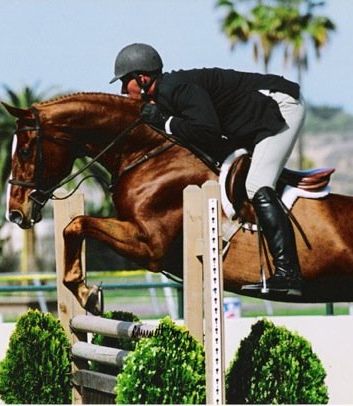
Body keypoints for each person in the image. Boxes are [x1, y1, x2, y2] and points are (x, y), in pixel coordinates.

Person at [110, 43, 305, 296]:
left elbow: (207, 131)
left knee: (256, 185)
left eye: (126, 82)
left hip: (281, 106)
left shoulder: (175, 88)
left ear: (142, 78)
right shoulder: (164, 94)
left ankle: (289, 273)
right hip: (252, 121)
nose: (124, 90)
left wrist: (164, 122)